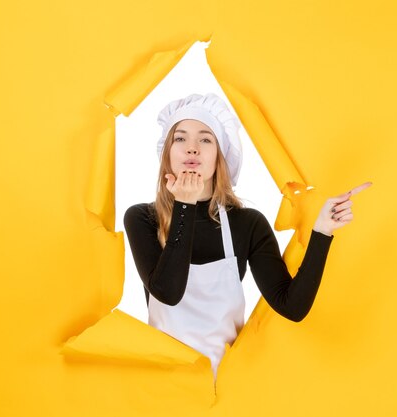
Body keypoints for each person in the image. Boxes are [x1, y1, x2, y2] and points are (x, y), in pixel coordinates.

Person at [123, 93, 371, 378]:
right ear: (167, 154)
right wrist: (184, 205)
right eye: (180, 139)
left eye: (205, 139)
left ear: (220, 157)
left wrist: (322, 232)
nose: (192, 149)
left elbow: (292, 306)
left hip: (231, 391)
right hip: (164, 387)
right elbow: (168, 292)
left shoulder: (247, 224)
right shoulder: (142, 218)